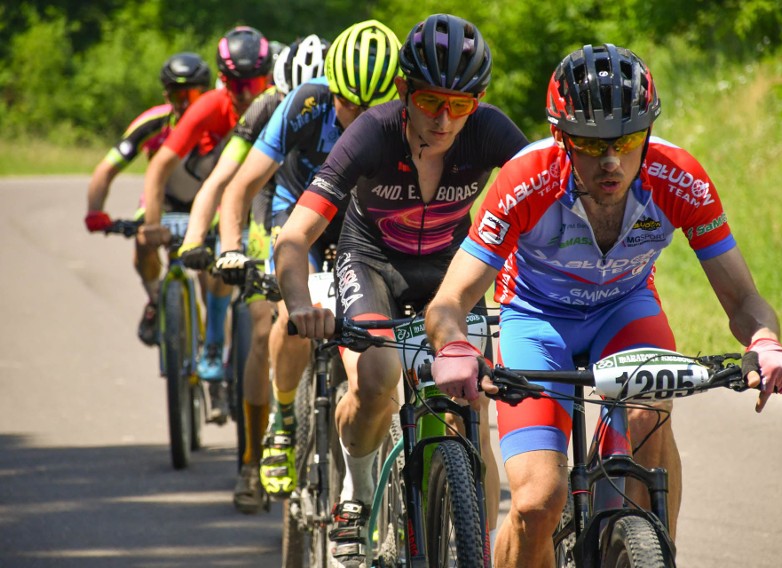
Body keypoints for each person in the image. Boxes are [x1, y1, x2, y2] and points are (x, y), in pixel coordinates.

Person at [423, 43, 782, 568]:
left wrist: (765, 340)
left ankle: (647, 550)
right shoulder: (524, 179)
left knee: (648, 426)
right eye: (590, 143)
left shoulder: (678, 177)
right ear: (561, 137)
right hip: (536, 318)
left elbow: (744, 300)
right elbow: (449, 301)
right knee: (536, 504)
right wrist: (455, 346)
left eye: (626, 139)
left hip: (624, 310)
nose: (611, 161)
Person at [277, 14, 529, 568]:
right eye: (431, 101)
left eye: (460, 105)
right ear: (403, 92)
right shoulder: (371, 132)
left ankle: (473, 553)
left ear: (477, 101)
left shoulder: (490, 131)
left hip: (450, 269)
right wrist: (299, 305)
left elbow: (549, 202)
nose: (444, 119)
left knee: (470, 404)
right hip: (371, 262)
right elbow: (296, 235)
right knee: (379, 374)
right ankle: (357, 490)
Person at [211, 20, 400, 525]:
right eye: (349, 105)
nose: (359, 118)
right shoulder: (306, 105)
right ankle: (283, 415)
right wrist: (231, 247)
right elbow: (240, 186)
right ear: (331, 91)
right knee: (297, 314)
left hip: (361, 229)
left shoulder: (406, 122)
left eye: (372, 108)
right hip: (299, 220)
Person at [177, 34, 330, 514]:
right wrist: (205, 242)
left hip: (335, 213)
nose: (306, 109)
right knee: (266, 324)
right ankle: (251, 460)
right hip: (276, 207)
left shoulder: (343, 113)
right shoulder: (269, 107)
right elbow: (223, 181)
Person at [139, 26, 273, 419]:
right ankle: (213, 341)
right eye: (235, 83)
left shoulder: (279, 104)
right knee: (211, 265)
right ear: (222, 80)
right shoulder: (211, 105)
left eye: (255, 82)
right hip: (216, 201)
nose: (247, 92)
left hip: (263, 201)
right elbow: (161, 164)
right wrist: (151, 225)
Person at [85, 52, 211, 345]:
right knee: (143, 243)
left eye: (191, 95)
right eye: (176, 95)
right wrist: (95, 212)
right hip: (160, 204)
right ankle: (157, 300)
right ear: (166, 94)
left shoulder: (215, 120)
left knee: (210, 272)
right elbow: (107, 167)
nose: (184, 104)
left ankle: (217, 343)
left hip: (206, 203)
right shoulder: (153, 122)